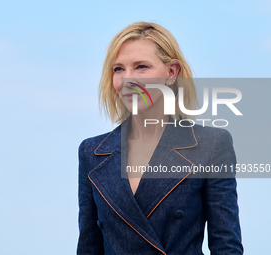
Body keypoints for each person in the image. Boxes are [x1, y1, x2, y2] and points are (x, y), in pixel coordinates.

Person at [77, 21, 243, 255]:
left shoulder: (211, 144)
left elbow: (226, 245)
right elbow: (88, 246)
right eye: (119, 69)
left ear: (172, 73)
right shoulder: (92, 151)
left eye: (141, 67)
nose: (128, 80)